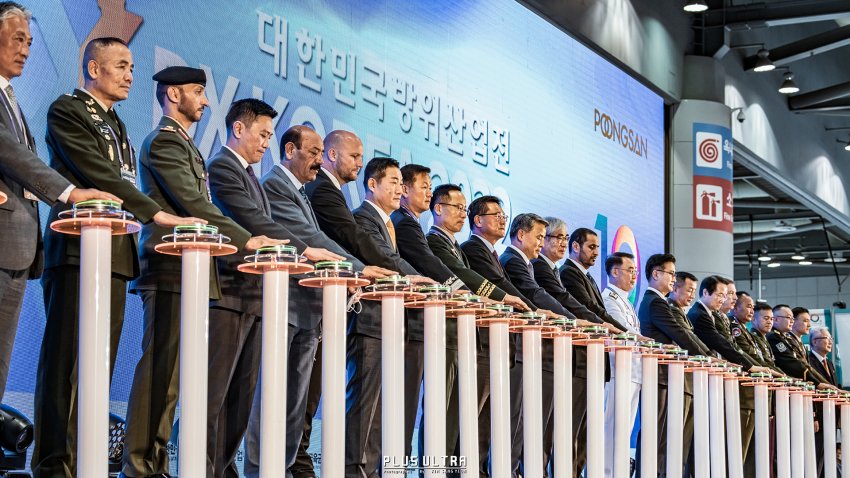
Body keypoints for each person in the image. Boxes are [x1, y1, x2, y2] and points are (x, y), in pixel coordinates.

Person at [33, 37, 202, 478]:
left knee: (98, 365)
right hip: (77, 250)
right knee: (67, 365)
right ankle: (53, 466)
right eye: (121, 65)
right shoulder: (68, 110)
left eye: (131, 67)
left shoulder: (118, 123)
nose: (130, 75)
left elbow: (117, 179)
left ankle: (85, 462)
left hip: (113, 254)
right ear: (94, 69)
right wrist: (155, 212)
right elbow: (100, 174)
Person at [120, 66, 284, 478]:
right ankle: (138, 466)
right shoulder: (164, 141)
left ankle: (155, 464)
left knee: (173, 379)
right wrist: (247, 239)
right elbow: (194, 203)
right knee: (159, 372)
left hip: (189, 272)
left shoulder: (184, 145)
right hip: (170, 267)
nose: (206, 100)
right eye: (198, 91)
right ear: (174, 94)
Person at [242, 125, 392, 478]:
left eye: (321, 153)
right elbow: (308, 238)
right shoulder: (275, 185)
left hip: (308, 309)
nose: (319, 160)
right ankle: (260, 471)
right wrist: (359, 268)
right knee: (272, 399)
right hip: (285, 304)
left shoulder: (301, 190)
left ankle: (283, 469)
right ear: (289, 151)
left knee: (295, 404)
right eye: (313, 153)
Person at [205, 106, 346, 477]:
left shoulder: (255, 177)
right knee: (225, 399)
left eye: (269, 136)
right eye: (263, 135)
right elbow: (257, 223)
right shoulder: (229, 168)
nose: (266, 143)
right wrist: (310, 252)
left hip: (266, 298)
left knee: (258, 403)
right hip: (236, 292)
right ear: (239, 128)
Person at [0, 2, 116, 408]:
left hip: (17, 248)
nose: (25, 50)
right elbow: (9, 152)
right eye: (18, 39)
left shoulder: (10, 97)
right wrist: (70, 192)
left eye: (30, 42)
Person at [425, 185, 528, 477]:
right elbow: (463, 277)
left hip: (472, 340)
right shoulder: (446, 242)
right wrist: (504, 299)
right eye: (458, 208)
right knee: (449, 420)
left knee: (473, 424)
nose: (462, 213)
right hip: (453, 337)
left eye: (464, 208)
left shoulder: (458, 246)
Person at [347, 157, 425, 478]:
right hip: (369, 322)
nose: (399, 189)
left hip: (389, 324)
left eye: (401, 184)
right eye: (393, 182)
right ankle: (353, 471)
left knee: (381, 410)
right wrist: (419, 279)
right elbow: (383, 258)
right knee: (364, 407)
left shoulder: (389, 223)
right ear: (372, 184)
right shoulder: (362, 218)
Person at [390, 165, 465, 471]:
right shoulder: (405, 223)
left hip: (428, 326)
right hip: (412, 326)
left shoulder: (411, 223)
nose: (428, 192)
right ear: (404, 189)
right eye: (423, 186)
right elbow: (427, 262)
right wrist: (462, 291)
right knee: (412, 411)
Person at [530, 216, 615, 475]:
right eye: (559, 238)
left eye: (565, 238)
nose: (562, 243)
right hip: (561, 358)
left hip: (579, 359)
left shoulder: (560, 271)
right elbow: (570, 303)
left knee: (580, 430)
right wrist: (602, 325)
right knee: (557, 429)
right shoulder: (547, 268)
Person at [460, 195, 537, 476]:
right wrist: (533, 308)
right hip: (482, 344)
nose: (503, 220)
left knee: (488, 422)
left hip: (498, 344)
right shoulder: (472, 248)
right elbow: (498, 285)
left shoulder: (492, 252)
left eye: (504, 215)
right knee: (474, 419)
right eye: (497, 215)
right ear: (478, 220)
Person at [499, 213, 578, 477]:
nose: (541, 243)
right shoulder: (513, 260)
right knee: (516, 422)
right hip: (520, 350)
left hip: (531, 351)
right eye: (539, 237)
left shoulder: (527, 263)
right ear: (521, 235)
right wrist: (571, 319)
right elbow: (534, 294)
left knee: (528, 423)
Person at [559, 227, 628, 475]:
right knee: (574, 428)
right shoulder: (568, 272)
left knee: (587, 430)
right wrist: (622, 332)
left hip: (593, 361)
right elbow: (589, 309)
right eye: (591, 247)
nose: (596, 252)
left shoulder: (587, 276)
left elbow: (598, 311)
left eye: (598, 247)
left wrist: (622, 332)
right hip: (579, 360)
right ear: (575, 246)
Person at [665, 270, 711, 478]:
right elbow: (686, 339)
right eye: (689, 290)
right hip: (675, 379)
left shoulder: (681, 312)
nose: (692, 295)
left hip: (688, 379)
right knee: (674, 439)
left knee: (685, 440)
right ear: (675, 288)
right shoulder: (671, 309)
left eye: (694, 290)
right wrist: (710, 356)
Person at [601, 252, 641, 478]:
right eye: (630, 271)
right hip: (618, 371)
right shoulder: (609, 298)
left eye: (635, 271)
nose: (634, 276)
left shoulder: (625, 299)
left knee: (624, 430)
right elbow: (623, 331)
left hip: (633, 371)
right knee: (612, 428)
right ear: (615, 272)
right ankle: (607, 473)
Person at [768, 304, 830, 388]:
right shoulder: (774, 337)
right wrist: (818, 383)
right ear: (775, 319)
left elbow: (807, 367)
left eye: (792, 318)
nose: (809, 325)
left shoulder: (786, 338)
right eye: (805, 321)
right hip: (785, 386)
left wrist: (826, 384)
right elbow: (793, 364)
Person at [808, 326, 838, 478]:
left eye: (831, 339)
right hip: (818, 417)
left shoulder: (830, 363)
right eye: (827, 339)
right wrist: (813, 415)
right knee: (817, 457)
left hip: (831, 416)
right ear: (814, 341)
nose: (830, 342)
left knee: (828, 458)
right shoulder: (809, 362)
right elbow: (811, 389)